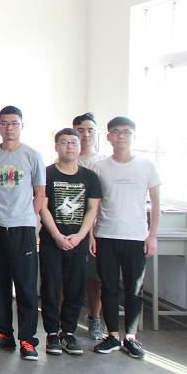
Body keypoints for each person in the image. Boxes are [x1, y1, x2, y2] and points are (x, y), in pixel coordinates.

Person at [0, 106, 45, 361]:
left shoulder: (32, 155)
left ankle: (27, 339)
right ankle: (3, 333)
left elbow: (40, 192)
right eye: (4, 123)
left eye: (14, 123)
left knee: (25, 285)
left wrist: (29, 218)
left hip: (23, 228)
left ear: (21, 126)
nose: (9, 128)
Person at [92, 116, 160, 359]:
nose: (121, 136)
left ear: (133, 136)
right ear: (108, 136)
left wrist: (152, 236)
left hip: (135, 236)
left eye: (126, 132)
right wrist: (90, 235)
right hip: (106, 234)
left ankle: (130, 337)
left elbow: (156, 203)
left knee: (134, 288)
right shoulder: (99, 167)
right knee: (109, 286)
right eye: (116, 132)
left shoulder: (147, 165)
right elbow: (93, 205)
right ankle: (111, 335)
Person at [39, 128, 101, 356]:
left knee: (75, 287)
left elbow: (92, 209)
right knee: (51, 286)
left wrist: (80, 236)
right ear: (56, 146)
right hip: (51, 240)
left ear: (79, 146)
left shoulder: (90, 177)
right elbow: (42, 206)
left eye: (73, 142)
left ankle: (68, 332)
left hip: (78, 241)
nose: (69, 146)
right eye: (64, 142)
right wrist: (57, 235)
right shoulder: (46, 173)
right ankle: (52, 333)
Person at [72, 111, 106, 340]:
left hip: (99, 226)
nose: (85, 135)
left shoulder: (104, 162)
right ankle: (66, 320)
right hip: (70, 225)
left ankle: (94, 318)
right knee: (67, 275)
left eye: (90, 130)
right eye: (80, 130)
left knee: (96, 277)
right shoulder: (67, 158)